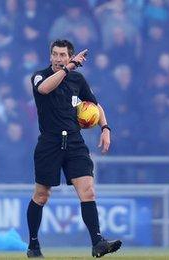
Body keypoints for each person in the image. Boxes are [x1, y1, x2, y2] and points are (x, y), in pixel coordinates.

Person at [27, 39, 121, 258]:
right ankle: (33, 245)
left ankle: (98, 242)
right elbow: (44, 89)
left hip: (75, 142)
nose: (59, 59)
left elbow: (95, 106)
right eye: (55, 54)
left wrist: (105, 127)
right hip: (49, 143)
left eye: (63, 55)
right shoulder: (39, 76)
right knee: (41, 196)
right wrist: (69, 68)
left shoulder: (78, 79)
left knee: (88, 191)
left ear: (69, 57)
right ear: (50, 56)